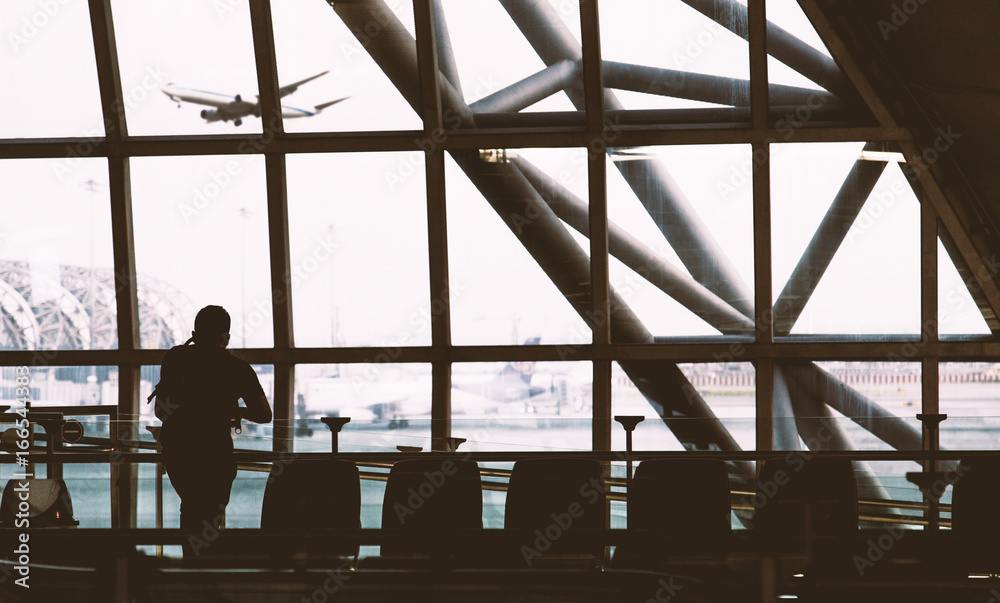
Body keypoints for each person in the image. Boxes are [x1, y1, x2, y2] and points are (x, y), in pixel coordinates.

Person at [152, 305, 272, 554]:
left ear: (194, 333)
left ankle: (192, 570)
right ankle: (203, 572)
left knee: (192, 509)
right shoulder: (237, 368)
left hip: (180, 454)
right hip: (215, 456)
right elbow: (264, 414)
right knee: (209, 517)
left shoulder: (174, 359)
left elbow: (160, 411)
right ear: (225, 338)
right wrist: (237, 412)